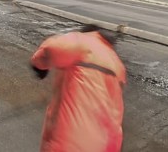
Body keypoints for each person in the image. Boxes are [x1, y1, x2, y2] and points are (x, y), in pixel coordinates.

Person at [30, 24, 126, 152]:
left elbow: (53, 47)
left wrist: (39, 64)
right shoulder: (117, 64)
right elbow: (116, 114)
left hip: (69, 141)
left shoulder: (84, 42)